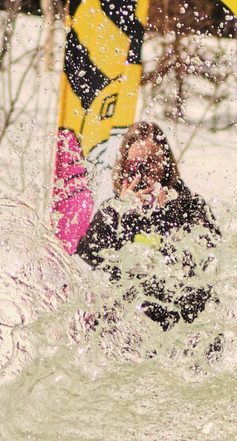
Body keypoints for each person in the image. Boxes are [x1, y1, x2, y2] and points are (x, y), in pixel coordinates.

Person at [65, 120, 223, 329]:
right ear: (125, 166)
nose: (143, 173)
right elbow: (88, 253)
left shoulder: (189, 205)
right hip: (131, 324)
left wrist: (168, 217)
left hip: (181, 324)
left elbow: (211, 253)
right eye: (136, 165)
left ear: (165, 162)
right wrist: (118, 213)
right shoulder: (115, 210)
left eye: (151, 162)